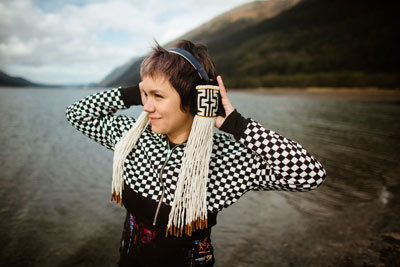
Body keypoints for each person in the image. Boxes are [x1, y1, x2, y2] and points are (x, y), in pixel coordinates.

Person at [65, 40, 326, 266]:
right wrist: (138, 92)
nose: (147, 107)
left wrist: (236, 124)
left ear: (193, 100)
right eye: (147, 95)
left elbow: (310, 175)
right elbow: (77, 114)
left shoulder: (229, 159)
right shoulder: (133, 139)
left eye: (158, 96)